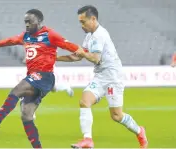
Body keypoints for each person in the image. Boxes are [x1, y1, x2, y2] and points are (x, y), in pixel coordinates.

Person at [0, 9, 81, 148]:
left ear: (39, 21)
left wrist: (85, 54)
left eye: (29, 22)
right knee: (26, 116)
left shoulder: (50, 35)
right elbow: (11, 40)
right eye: (25, 22)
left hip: (44, 76)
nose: (26, 25)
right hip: (34, 77)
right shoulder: (25, 36)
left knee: (17, 90)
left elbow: (72, 48)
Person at [56, 5, 148, 148]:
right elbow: (77, 57)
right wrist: (56, 58)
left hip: (113, 78)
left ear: (93, 19)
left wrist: (83, 53)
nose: (81, 25)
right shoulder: (89, 36)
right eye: (80, 22)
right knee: (84, 101)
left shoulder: (100, 35)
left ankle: (139, 131)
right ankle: (87, 140)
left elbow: (95, 58)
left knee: (116, 116)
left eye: (83, 22)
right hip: (100, 77)